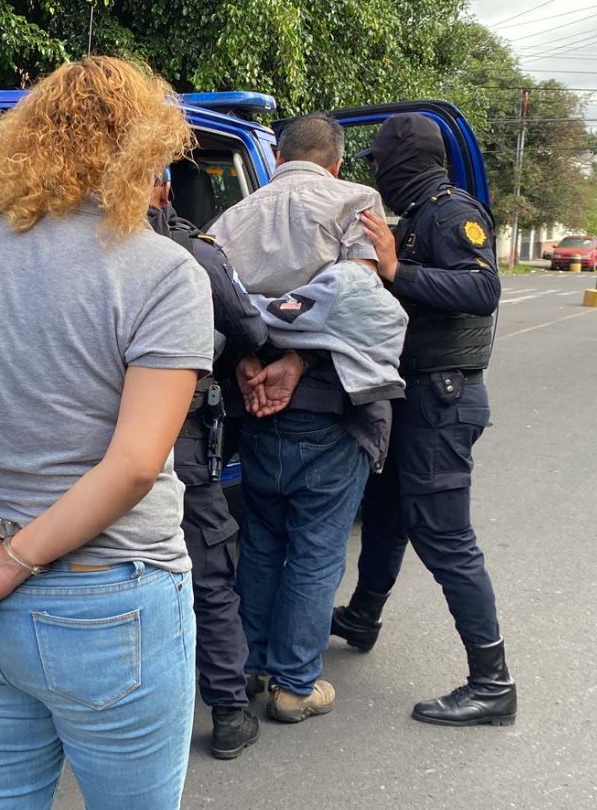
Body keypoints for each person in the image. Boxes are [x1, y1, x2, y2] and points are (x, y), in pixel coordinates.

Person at [0, 57, 210, 809]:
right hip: (107, 598)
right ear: (144, 148)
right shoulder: (161, 272)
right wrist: (12, 560)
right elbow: (130, 467)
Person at [208, 114, 397, 724]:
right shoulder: (356, 202)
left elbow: (208, 302)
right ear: (336, 162)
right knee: (317, 547)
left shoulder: (232, 218)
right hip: (330, 405)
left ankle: (250, 662)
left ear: (281, 156)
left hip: (255, 403)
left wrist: (248, 361)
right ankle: (294, 685)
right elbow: (360, 301)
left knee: (262, 539)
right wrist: (297, 357)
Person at [333, 112, 517, 726]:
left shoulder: (448, 212)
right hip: (411, 396)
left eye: (381, 165)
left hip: (443, 398)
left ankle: (492, 683)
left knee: (446, 539)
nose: (376, 176)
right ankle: (362, 616)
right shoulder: (416, 216)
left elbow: (481, 289)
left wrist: (395, 271)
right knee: (384, 516)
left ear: (401, 163)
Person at [148, 171, 267, 760]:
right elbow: (251, 326)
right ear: (164, 190)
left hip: (87, 442)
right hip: (179, 438)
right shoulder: (192, 252)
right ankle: (227, 710)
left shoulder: (65, 248)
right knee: (209, 570)